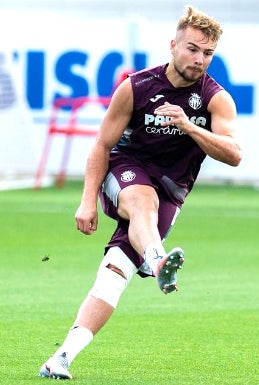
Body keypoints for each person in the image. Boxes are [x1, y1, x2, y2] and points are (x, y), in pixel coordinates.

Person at [39, 5, 242, 379]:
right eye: (193, 49)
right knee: (140, 199)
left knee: (113, 274)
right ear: (173, 46)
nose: (200, 60)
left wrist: (190, 127)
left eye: (208, 53)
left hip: (172, 193)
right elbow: (101, 145)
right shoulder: (136, 87)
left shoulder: (215, 98)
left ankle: (61, 358)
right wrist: (87, 201)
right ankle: (159, 260)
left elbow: (234, 155)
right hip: (126, 170)